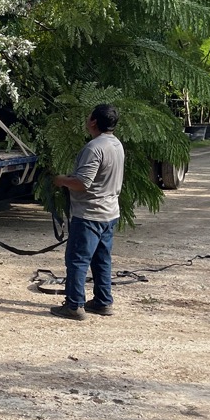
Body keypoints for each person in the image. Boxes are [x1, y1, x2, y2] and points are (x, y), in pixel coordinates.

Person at [50, 103, 125, 321]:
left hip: (90, 214)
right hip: (109, 213)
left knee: (77, 260)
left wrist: (60, 180)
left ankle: (74, 305)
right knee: (102, 259)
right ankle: (103, 301)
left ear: (93, 121)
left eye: (89, 116)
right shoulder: (116, 144)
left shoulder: (94, 148)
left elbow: (83, 183)